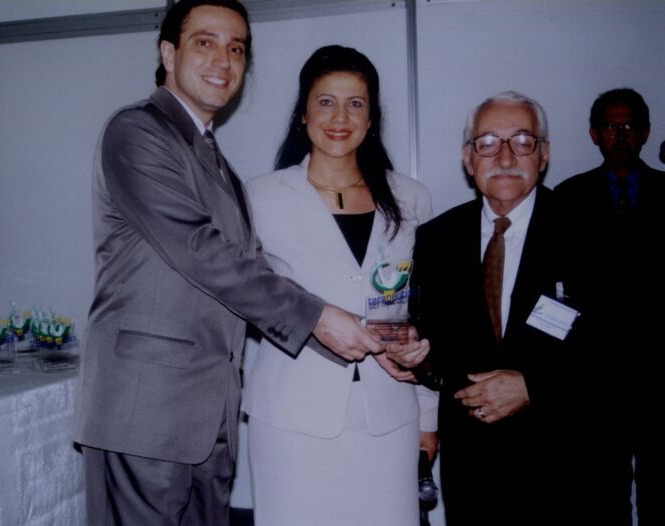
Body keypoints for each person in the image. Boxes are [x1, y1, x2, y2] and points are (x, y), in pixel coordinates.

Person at [74, 3, 387, 524]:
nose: (223, 60)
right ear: (168, 53)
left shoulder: (218, 163)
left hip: (209, 418)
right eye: (206, 42)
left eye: (236, 48)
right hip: (145, 413)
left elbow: (254, 272)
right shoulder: (137, 132)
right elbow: (200, 250)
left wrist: (367, 341)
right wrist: (319, 319)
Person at [242, 45, 436, 526]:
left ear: (372, 118)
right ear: (303, 113)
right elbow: (245, 297)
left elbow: (422, 314)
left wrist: (429, 415)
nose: (340, 118)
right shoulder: (259, 197)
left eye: (356, 103)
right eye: (326, 101)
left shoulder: (411, 197)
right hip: (291, 416)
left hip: (390, 416)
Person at [411, 91, 577, 526]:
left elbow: (632, 353)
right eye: (487, 143)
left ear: (544, 154)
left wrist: (535, 387)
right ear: (468, 158)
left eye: (522, 141)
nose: (504, 157)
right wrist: (414, 357)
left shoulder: (595, 233)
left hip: (572, 471)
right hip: (474, 475)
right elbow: (435, 352)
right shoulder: (435, 239)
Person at [555, 88, 665, 526]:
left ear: (646, 133)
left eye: (630, 126)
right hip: (594, 380)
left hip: (660, 376)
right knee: (601, 501)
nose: (621, 135)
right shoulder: (568, 198)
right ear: (594, 134)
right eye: (611, 126)